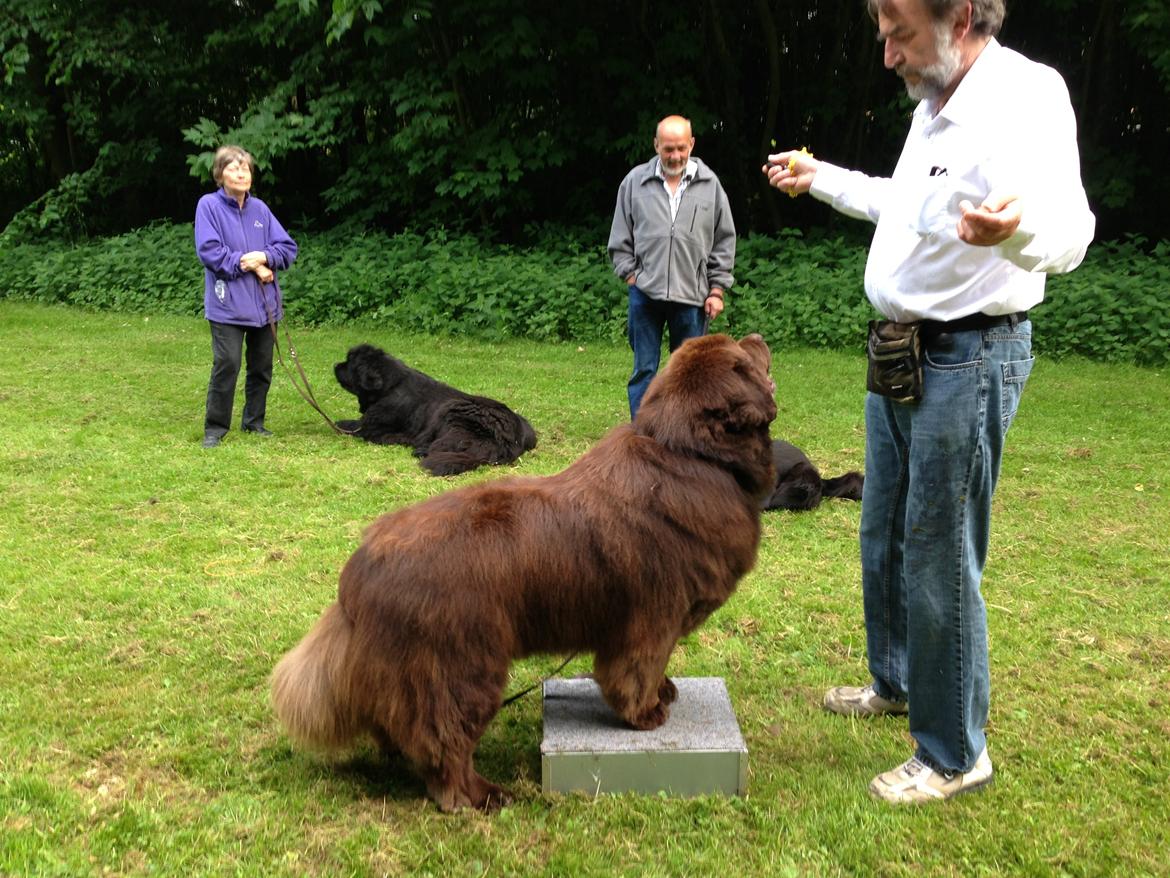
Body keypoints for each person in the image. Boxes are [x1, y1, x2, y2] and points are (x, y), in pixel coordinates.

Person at [763, 0, 1094, 804]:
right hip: (902, 354)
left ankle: (953, 754)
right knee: (883, 527)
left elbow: (1071, 231)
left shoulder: (1025, 95)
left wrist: (1011, 235)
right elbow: (900, 206)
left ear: (963, 18)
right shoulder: (931, 110)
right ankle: (897, 682)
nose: (888, 55)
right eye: (884, 34)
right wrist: (824, 179)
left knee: (940, 548)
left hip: (970, 356)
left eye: (900, 34)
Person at [608, 115, 736, 418]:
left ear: (691, 144)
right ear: (656, 145)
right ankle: (642, 434)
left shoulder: (711, 185)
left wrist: (716, 290)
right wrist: (631, 275)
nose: (675, 156)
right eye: (667, 149)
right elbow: (619, 236)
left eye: (680, 148)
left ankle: (685, 432)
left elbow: (724, 240)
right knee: (644, 370)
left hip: (692, 297)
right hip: (645, 294)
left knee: (691, 375)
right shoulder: (634, 183)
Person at [194, 145, 298, 448]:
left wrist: (264, 256)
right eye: (233, 167)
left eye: (246, 168)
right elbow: (211, 253)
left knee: (261, 367)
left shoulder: (260, 210)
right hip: (227, 305)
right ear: (219, 174)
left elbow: (287, 248)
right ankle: (215, 429)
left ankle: (254, 422)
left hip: (264, 306)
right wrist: (251, 264)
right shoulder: (208, 206)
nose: (241, 173)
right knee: (227, 363)